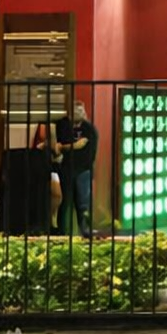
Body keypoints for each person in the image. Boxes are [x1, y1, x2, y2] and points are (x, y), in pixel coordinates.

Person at [54, 101, 97, 237]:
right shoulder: (62, 125)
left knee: (83, 205)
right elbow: (60, 145)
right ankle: (62, 233)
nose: (79, 113)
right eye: (75, 111)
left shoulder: (89, 129)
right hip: (66, 169)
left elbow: (90, 153)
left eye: (80, 110)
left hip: (84, 169)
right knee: (65, 203)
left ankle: (85, 232)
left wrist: (66, 147)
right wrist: (76, 145)